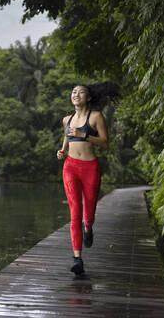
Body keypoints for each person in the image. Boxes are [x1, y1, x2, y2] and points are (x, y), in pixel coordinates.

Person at [56, 82, 118, 275]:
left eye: (81, 92)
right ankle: (77, 258)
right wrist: (62, 151)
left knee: (88, 211)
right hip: (70, 168)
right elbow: (67, 139)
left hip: (90, 167)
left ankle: (88, 227)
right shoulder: (67, 119)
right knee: (75, 212)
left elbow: (105, 142)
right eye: (73, 91)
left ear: (88, 98)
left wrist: (84, 135)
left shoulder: (96, 116)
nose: (76, 94)